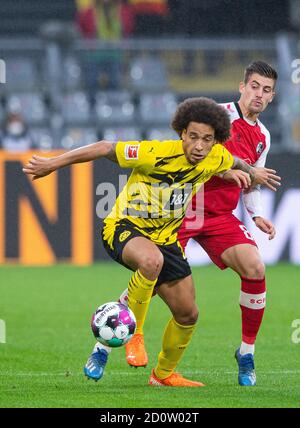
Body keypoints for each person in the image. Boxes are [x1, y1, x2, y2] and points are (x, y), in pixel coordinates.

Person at [23, 97, 280, 387]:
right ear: (181, 132)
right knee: (151, 261)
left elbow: (231, 160)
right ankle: (135, 335)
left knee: (188, 313)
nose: (198, 145)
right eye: (193, 136)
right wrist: (52, 163)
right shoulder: (153, 152)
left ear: (216, 141)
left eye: (206, 139)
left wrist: (249, 171)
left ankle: (163, 375)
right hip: (124, 227)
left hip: (166, 238)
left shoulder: (215, 156)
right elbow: (104, 147)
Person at [119, 61, 279, 387]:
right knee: (156, 274)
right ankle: (123, 321)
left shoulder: (263, 136)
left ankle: (246, 351)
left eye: (266, 90)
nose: (259, 94)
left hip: (220, 216)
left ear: (272, 97)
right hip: (184, 210)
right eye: (254, 86)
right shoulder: (216, 116)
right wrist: (223, 171)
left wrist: (256, 211)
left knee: (255, 267)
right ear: (241, 86)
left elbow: (252, 181)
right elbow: (187, 151)